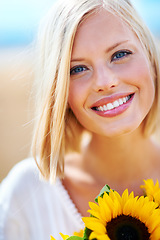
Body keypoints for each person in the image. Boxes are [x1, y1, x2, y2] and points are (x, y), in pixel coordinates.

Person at [0, 0, 160, 239]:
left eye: (120, 54)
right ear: (59, 90)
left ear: (149, 55)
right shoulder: (25, 195)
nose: (105, 82)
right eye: (77, 69)